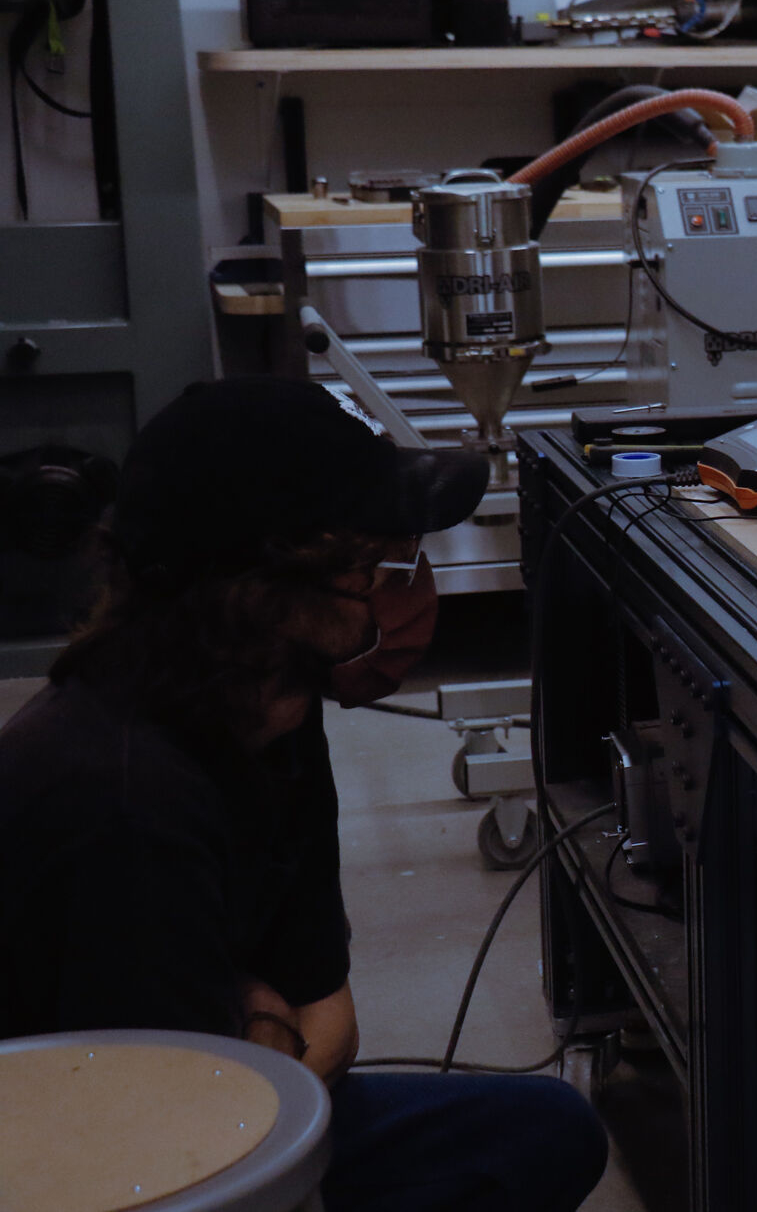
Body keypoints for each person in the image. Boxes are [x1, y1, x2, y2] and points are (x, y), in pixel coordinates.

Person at [0, 377, 608, 1212]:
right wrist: (258, 1025)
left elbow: (331, 1025)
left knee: (548, 1132)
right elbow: (180, 1146)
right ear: (261, 587)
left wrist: (257, 1015)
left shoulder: (275, 708)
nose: (397, 577)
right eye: (366, 560)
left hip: (220, 1114)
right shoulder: (123, 802)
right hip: (100, 1166)